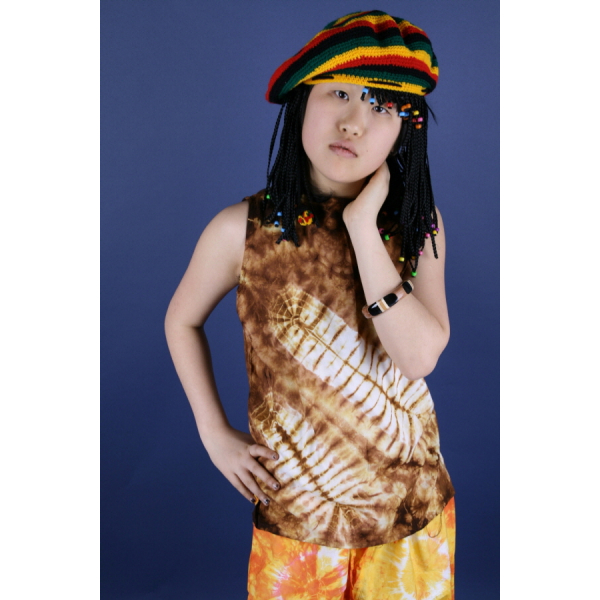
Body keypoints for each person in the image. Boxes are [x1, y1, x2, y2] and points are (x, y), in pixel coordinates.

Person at [165, 10, 455, 599]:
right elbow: (182, 320)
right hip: (297, 522)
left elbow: (420, 356)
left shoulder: (416, 225)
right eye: (339, 94)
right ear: (302, 100)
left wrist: (363, 228)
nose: (354, 122)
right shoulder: (240, 231)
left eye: (382, 107)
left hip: (412, 516)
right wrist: (213, 431)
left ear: (406, 131)